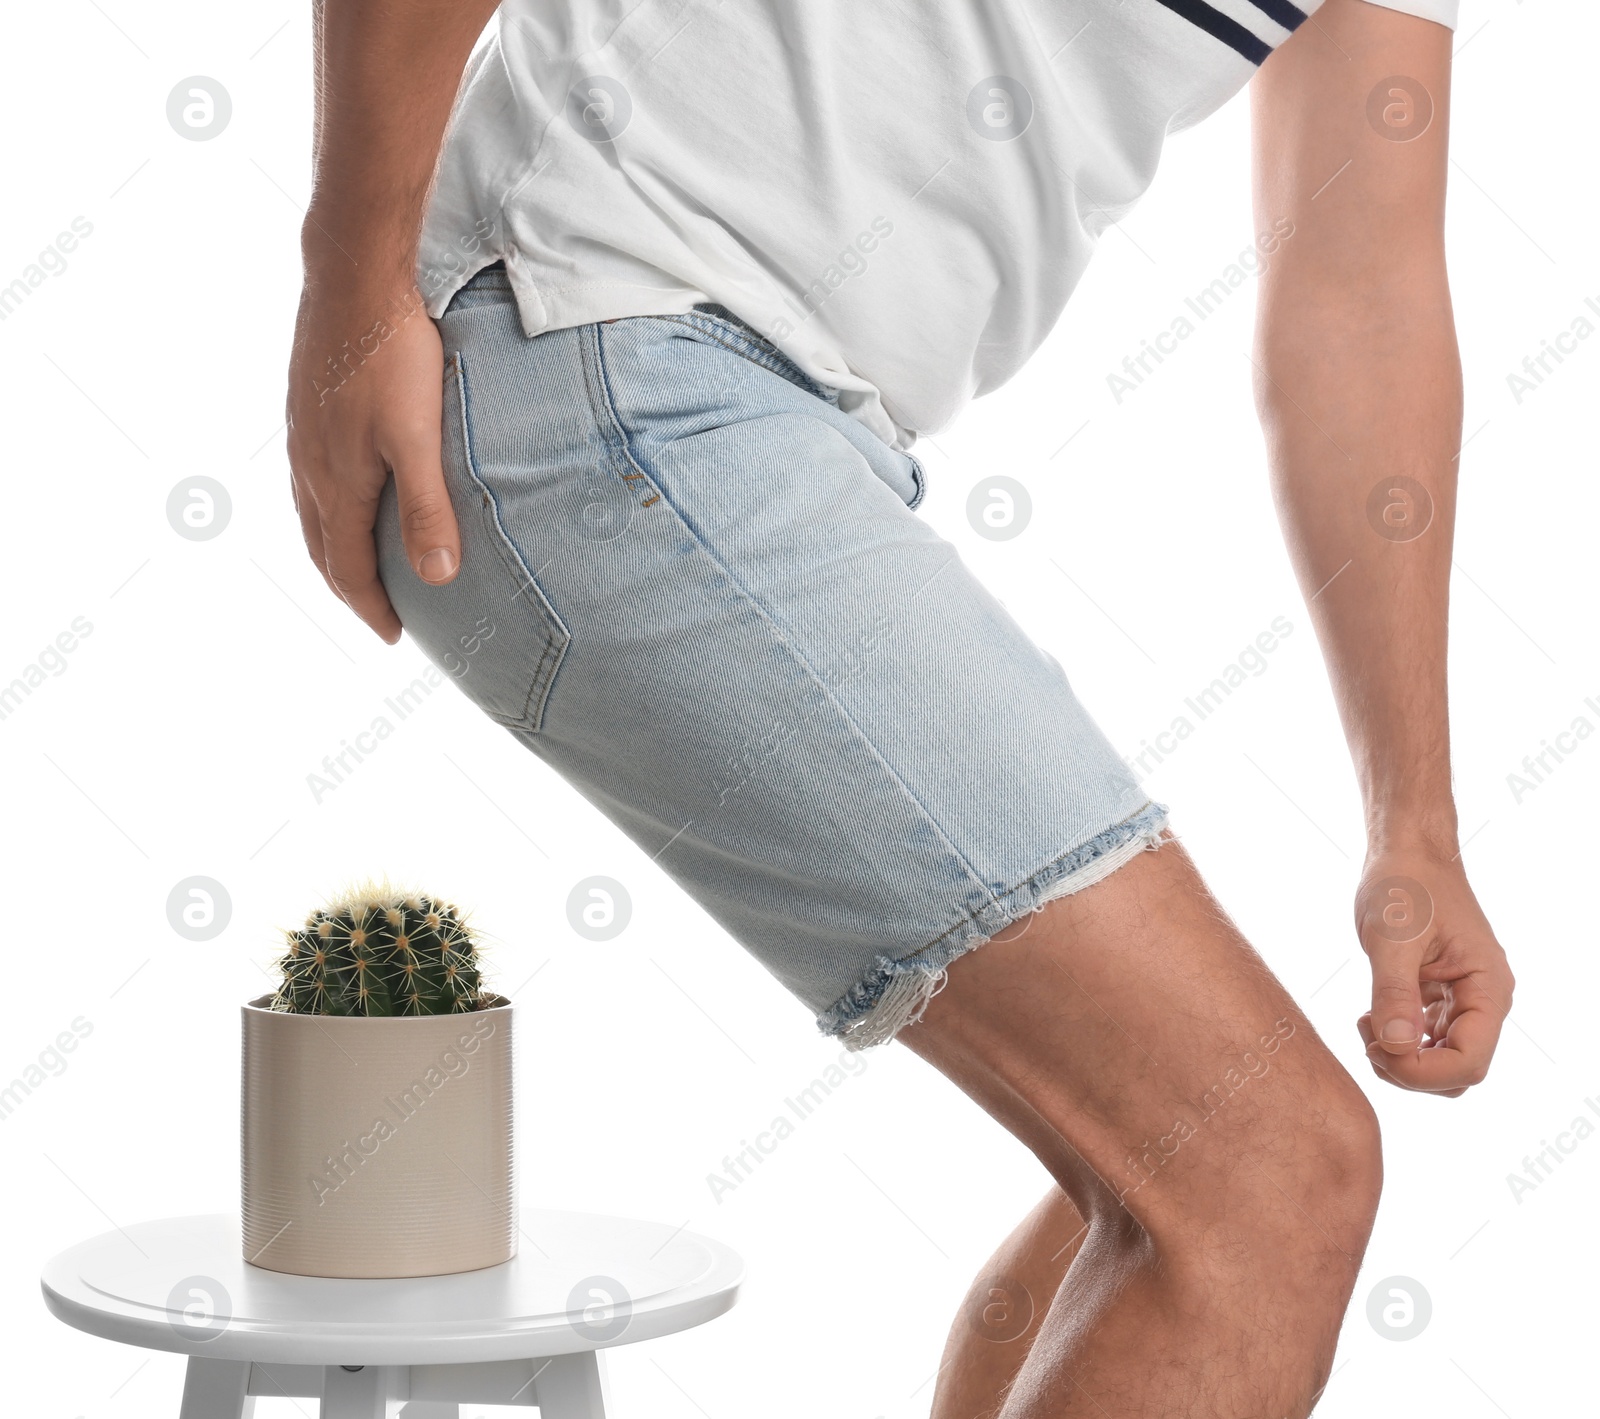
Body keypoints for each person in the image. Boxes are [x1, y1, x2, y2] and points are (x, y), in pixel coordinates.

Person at [284, 0, 1514, 1411]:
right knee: (1263, 1169)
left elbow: (1357, 297)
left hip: (771, 402)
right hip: (593, 316)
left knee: (1165, 1169)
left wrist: (1412, 826)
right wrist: (353, 284)